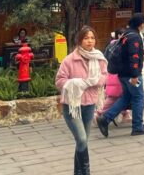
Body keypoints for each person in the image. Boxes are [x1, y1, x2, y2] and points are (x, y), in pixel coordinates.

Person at [55, 26, 108, 175]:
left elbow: (105, 76)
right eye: (86, 38)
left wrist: (97, 81)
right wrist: (76, 83)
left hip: (90, 104)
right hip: (72, 106)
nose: (90, 41)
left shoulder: (99, 58)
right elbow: (59, 80)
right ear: (80, 40)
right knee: (83, 139)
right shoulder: (70, 59)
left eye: (92, 38)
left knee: (82, 142)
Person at [96, 14, 144, 137]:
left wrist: (140, 52)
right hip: (131, 74)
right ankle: (137, 127)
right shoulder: (135, 37)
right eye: (143, 22)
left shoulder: (126, 34)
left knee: (126, 98)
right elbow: (133, 57)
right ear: (140, 24)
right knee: (138, 98)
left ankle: (105, 118)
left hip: (122, 73)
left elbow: (128, 52)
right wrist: (135, 75)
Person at [97, 29, 130, 126]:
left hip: (114, 74)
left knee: (121, 96)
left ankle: (125, 114)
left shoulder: (113, 45)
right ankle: (100, 113)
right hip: (114, 75)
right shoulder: (115, 46)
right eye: (122, 34)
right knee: (113, 97)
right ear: (118, 35)